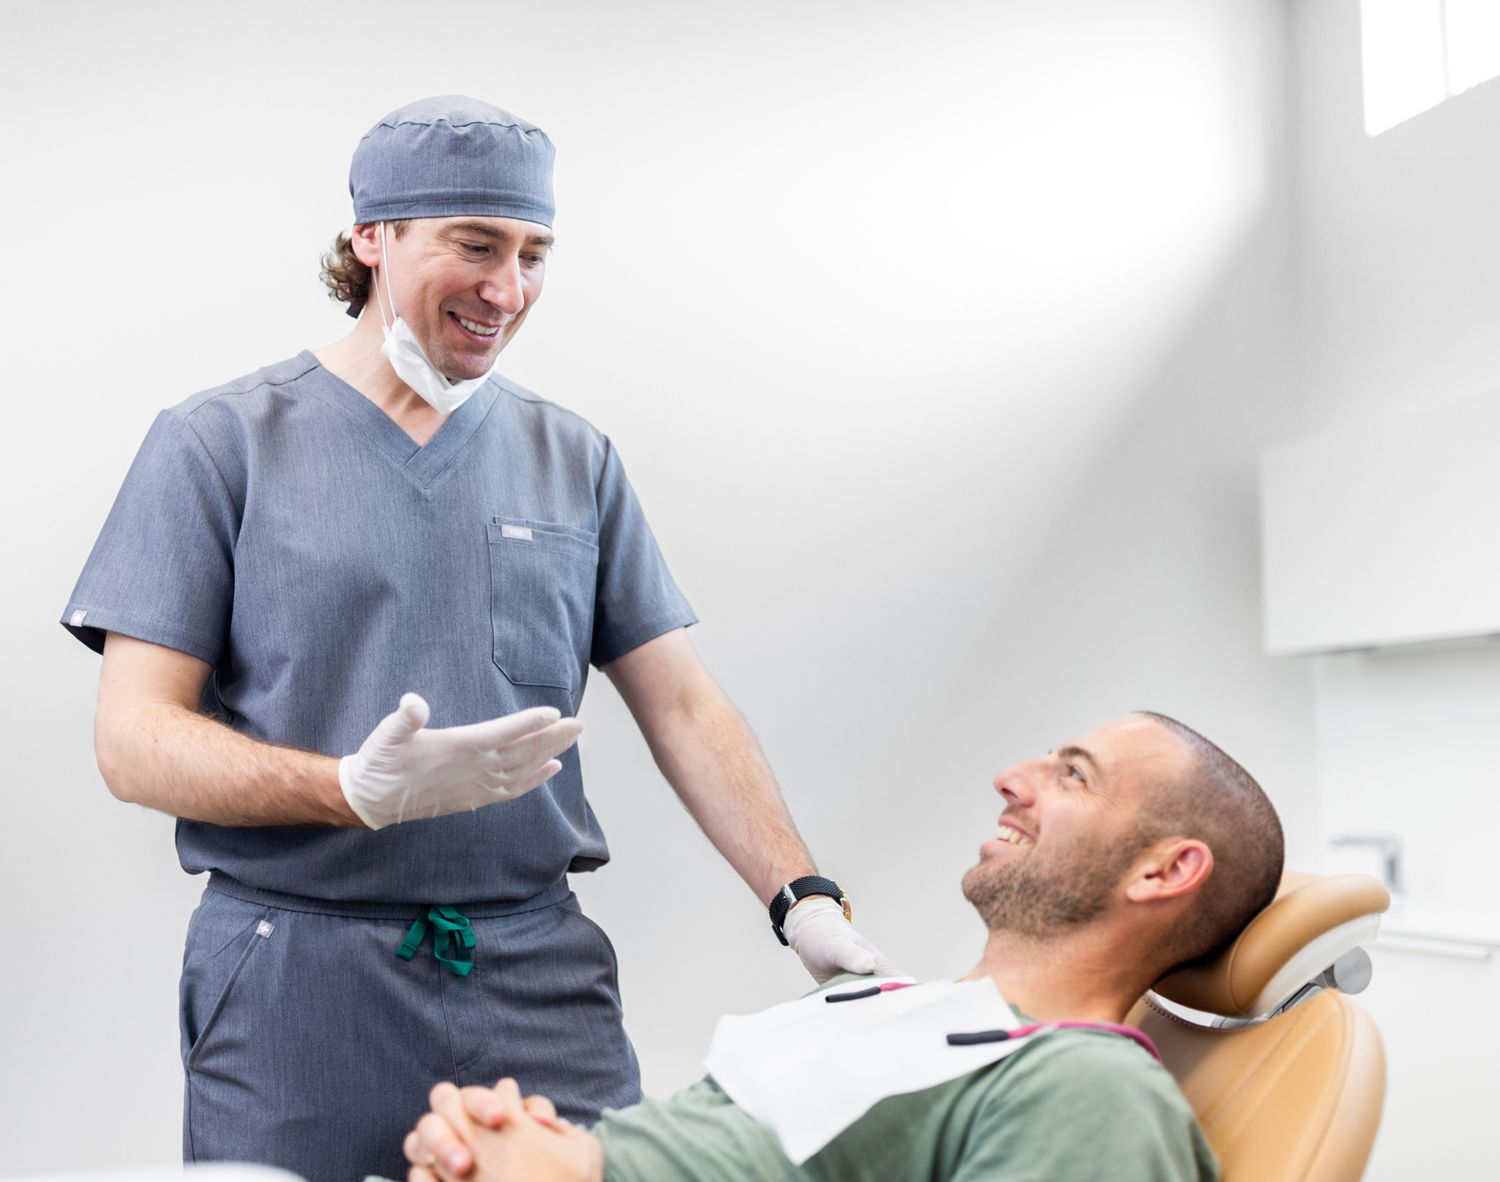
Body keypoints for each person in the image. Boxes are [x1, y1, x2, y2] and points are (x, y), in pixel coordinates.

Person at [60, 95, 893, 1182]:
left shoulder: (571, 458)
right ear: (372, 238)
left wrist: (802, 900)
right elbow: (133, 741)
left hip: (532, 974)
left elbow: (682, 703)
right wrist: (346, 788)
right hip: (295, 978)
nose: (508, 290)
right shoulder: (220, 446)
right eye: (475, 245)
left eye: (534, 253)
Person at [391, 711, 1284, 1182]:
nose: (1012, 780)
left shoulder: (1086, 1087)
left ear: (1166, 872)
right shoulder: (899, 1006)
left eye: (1072, 775)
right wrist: (518, 1144)